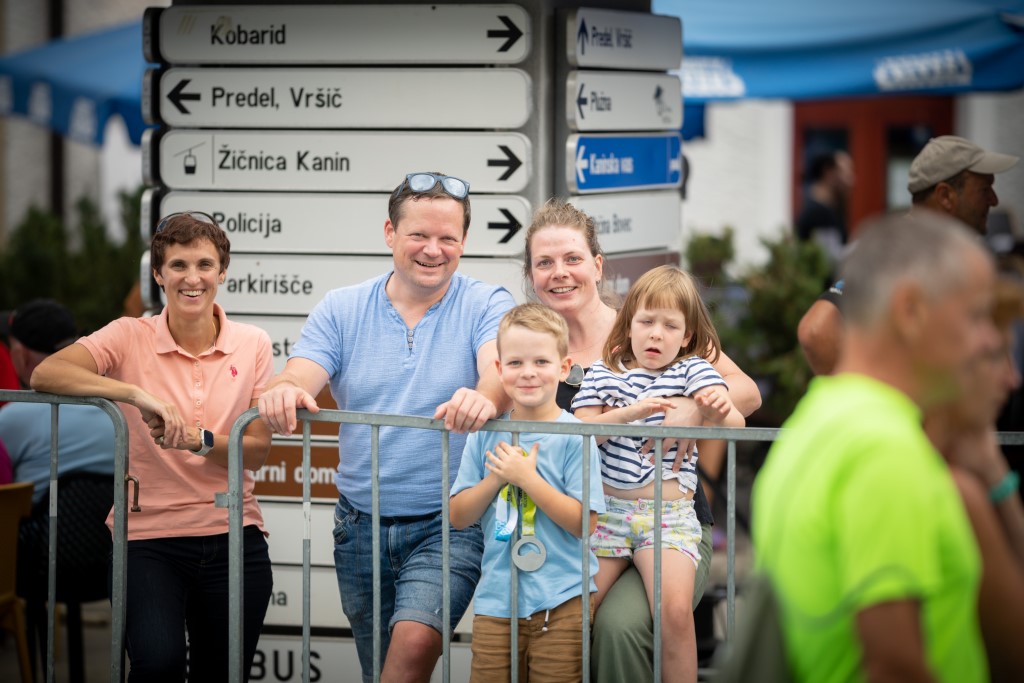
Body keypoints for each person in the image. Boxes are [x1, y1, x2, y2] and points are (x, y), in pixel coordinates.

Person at [257, 172, 515, 683]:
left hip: (451, 521)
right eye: (419, 234)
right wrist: (283, 388)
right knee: (380, 669)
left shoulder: (488, 302)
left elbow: (499, 372)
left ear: (464, 241)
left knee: (412, 649)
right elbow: (300, 373)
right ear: (390, 233)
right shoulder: (342, 307)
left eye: (448, 237)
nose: (433, 250)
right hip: (359, 526)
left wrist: (484, 396)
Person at [521, 199, 762, 681]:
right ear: (531, 274)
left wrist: (693, 408)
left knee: (634, 623)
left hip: (668, 518)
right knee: (560, 615)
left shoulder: (656, 332)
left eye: (572, 258)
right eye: (545, 262)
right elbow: (573, 425)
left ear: (597, 265)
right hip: (591, 520)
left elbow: (745, 395)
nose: (560, 273)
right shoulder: (535, 342)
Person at [752, 211, 998, 682]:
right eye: (975, 315)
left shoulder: (816, 418)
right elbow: (894, 667)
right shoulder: (883, 448)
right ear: (910, 312)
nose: (988, 340)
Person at [31, 212, 275, 682]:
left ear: (222, 272)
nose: (192, 278)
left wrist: (197, 440)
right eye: (178, 265)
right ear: (159, 275)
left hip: (233, 533)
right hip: (147, 539)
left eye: (204, 265)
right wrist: (133, 394)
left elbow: (258, 451)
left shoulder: (253, 343)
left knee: (223, 674)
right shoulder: (129, 335)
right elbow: (46, 373)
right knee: (157, 665)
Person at [572, 265, 744, 683]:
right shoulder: (605, 372)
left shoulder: (693, 371)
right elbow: (581, 433)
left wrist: (714, 409)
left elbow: (736, 423)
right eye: (646, 322)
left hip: (667, 519)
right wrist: (628, 413)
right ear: (628, 323)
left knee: (674, 613)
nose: (656, 334)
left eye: (670, 326)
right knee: (575, 610)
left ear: (686, 336)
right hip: (606, 516)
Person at [450, 303, 605, 682]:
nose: (529, 372)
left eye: (541, 362)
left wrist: (527, 479)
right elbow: (458, 516)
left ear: (564, 368)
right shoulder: (484, 435)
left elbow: (584, 524)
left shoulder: (576, 438)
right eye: (516, 363)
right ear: (500, 369)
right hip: (497, 603)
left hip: (563, 602)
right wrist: (497, 478)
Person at [797, 136, 1019, 376]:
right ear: (945, 195)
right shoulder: (895, 250)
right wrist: (868, 394)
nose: (993, 200)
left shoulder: (939, 250)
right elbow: (816, 331)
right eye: (984, 190)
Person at [924, 276, 1024, 680]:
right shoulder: (951, 489)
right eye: (997, 355)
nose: (1013, 379)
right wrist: (998, 484)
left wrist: (996, 474)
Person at [0, 299, 114, 505]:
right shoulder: (116, 412)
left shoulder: (12, 417)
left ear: (21, 356)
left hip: (35, 526)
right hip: (114, 525)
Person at [795, 150, 854, 268]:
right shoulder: (819, 213)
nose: (851, 180)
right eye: (846, 173)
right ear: (828, 173)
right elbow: (829, 260)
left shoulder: (825, 208)